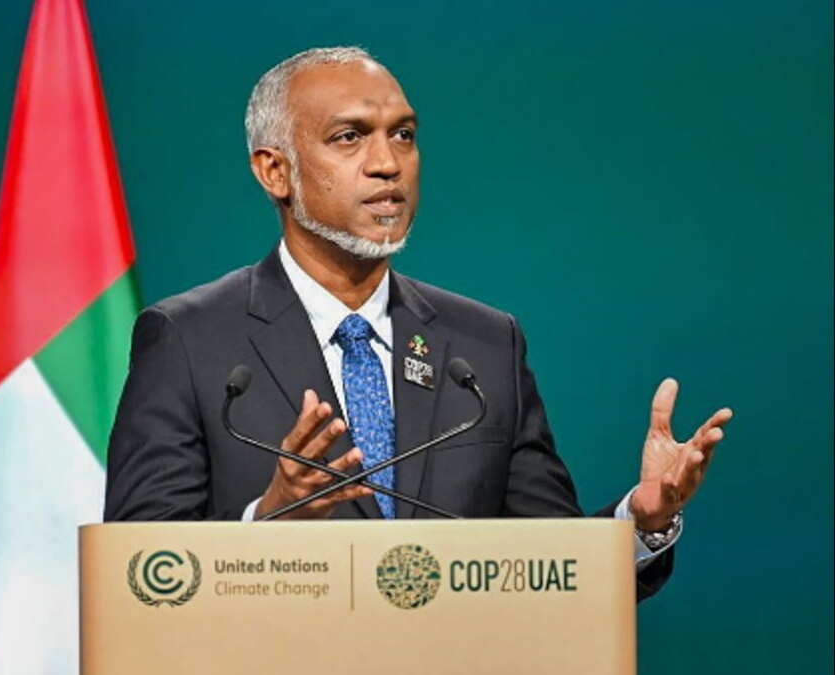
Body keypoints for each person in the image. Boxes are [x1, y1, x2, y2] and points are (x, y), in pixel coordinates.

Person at [103, 47, 732, 600]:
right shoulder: (187, 339)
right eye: (349, 137)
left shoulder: (485, 346)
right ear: (276, 171)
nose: (387, 163)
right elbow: (140, 576)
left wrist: (642, 521)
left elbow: (550, 569)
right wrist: (268, 521)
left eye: (403, 135)